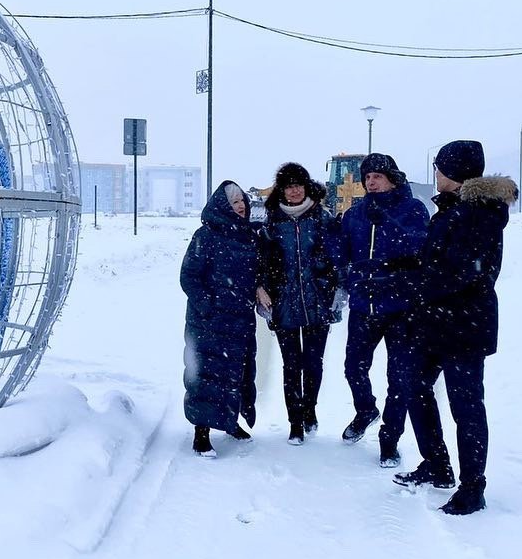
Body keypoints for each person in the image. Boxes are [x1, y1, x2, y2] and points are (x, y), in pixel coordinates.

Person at [392, 140, 518, 515]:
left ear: (455, 173)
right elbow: (440, 260)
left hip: (464, 326)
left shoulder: (478, 213)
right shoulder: (454, 210)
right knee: (414, 387)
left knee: (466, 406)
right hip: (436, 323)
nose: (436, 175)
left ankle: (472, 487)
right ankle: (437, 464)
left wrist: (411, 283)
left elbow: (462, 272)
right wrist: (404, 265)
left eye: (439, 169)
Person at [332, 153, 429, 467]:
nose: (371, 182)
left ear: (392, 178)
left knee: (398, 377)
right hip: (363, 306)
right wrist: (349, 276)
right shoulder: (355, 214)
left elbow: (420, 251)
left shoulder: (413, 210)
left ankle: (390, 439)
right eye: (367, 177)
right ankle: (366, 410)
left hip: (401, 308)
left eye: (377, 176)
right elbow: (343, 254)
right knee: (353, 368)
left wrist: (391, 273)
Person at [258, 162, 340, 445]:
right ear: (281, 190)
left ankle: (310, 410)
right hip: (284, 303)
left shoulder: (323, 219)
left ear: (306, 187)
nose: (293, 191)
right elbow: (262, 263)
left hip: (318, 302)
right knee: (291, 366)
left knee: (313, 363)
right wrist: (262, 289)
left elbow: (336, 259)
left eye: (298, 185)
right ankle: (295, 422)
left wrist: (334, 289)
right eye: (288, 186)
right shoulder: (272, 223)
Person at [181, 180, 259, 457]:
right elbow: (189, 276)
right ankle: (201, 434)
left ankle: (229, 421)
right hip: (209, 322)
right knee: (206, 375)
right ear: (222, 206)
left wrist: (259, 289)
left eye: (242, 201)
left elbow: (257, 273)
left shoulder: (250, 236)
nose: (240, 206)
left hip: (240, 319)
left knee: (236, 373)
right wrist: (207, 305)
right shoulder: (206, 235)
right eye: (234, 202)